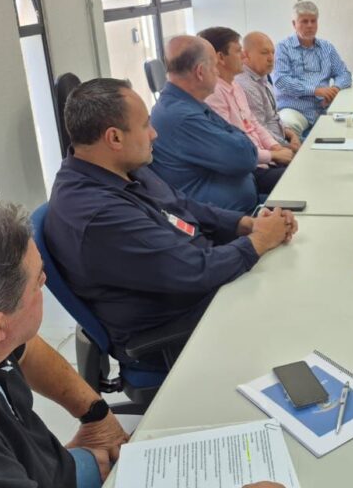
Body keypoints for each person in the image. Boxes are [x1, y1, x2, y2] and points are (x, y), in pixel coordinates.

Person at [46, 78, 296, 369]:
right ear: (114, 138)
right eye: (145, 126)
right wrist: (258, 242)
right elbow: (194, 271)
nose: (154, 134)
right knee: (292, 308)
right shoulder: (98, 215)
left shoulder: (121, 168)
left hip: (199, 280)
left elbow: (183, 205)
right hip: (179, 327)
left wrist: (246, 224)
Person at [0, 203, 130, 487]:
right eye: (38, 282)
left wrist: (96, 415)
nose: (45, 281)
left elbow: (27, 348)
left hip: (44, 467)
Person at [149, 34, 273, 212]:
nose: (217, 71)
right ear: (200, 72)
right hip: (227, 222)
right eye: (214, 66)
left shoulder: (188, 103)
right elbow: (245, 157)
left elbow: (242, 144)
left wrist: (239, 138)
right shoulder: (182, 116)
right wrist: (238, 138)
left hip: (243, 206)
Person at [199, 26, 293, 192]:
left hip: (264, 159)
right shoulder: (214, 94)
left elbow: (254, 123)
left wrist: (274, 147)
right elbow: (233, 145)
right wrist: (273, 154)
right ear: (220, 57)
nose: (244, 56)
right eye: (238, 51)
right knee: (300, 177)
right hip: (251, 169)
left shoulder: (234, 84)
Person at [272, 1, 353, 138]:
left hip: (325, 107)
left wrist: (335, 89)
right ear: (294, 24)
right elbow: (281, 81)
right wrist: (316, 90)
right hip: (295, 109)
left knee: (352, 129)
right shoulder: (283, 48)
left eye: (313, 21)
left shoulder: (327, 47)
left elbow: (344, 74)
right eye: (304, 21)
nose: (309, 25)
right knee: (287, 127)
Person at [235, 31, 301, 151]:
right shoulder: (246, 86)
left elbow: (273, 116)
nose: (271, 58)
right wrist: (288, 147)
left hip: (282, 141)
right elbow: (260, 130)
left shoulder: (263, 77)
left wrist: (291, 134)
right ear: (245, 55)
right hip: (273, 151)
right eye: (264, 53)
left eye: (273, 52)